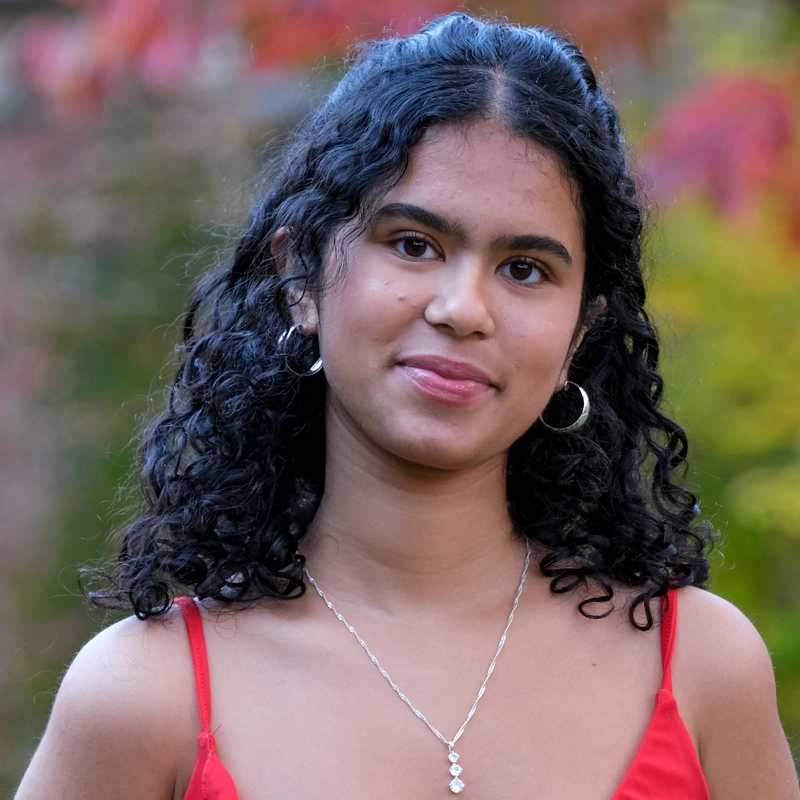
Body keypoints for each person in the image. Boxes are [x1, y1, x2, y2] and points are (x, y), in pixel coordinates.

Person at [15, 11, 799, 800]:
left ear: (579, 333)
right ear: (301, 278)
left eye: (525, 268)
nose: (463, 308)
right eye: (413, 244)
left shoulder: (700, 665)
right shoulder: (144, 697)